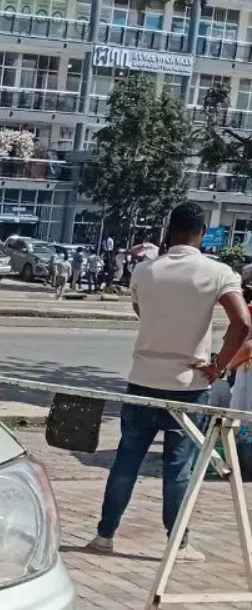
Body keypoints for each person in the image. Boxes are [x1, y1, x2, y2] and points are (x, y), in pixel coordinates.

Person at [87, 201, 252, 561]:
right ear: (203, 232)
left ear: (169, 229)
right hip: (189, 386)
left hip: (142, 380)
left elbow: (140, 311)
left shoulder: (145, 270)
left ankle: (104, 535)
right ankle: (177, 544)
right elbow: (242, 323)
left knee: (126, 462)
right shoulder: (218, 273)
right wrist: (220, 366)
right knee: (178, 469)